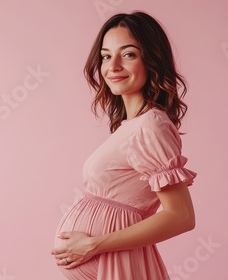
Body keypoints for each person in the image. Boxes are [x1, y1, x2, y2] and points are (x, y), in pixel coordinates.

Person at [51, 11, 197, 280]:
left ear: (152, 61)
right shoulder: (131, 126)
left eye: (128, 54)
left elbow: (182, 216)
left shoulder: (151, 125)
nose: (113, 66)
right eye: (106, 56)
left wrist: (94, 244)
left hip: (119, 264)